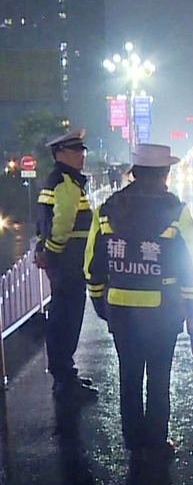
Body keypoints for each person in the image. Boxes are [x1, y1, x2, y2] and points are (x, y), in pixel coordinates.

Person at [84, 144, 193, 458]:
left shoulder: (108, 208)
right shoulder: (177, 211)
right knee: (159, 375)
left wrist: (100, 301)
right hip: (163, 311)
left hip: (121, 310)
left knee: (130, 374)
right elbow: (191, 265)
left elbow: (92, 264)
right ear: (165, 174)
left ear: (133, 173)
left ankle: (134, 440)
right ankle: (157, 441)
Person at [35, 128, 98, 399]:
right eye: (75, 151)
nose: (81, 156)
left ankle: (64, 374)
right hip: (69, 264)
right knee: (66, 320)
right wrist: (53, 252)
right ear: (60, 154)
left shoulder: (60, 180)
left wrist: (46, 251)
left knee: (62, 317)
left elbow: (44, 223)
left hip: (66, 264)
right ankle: (64, 380)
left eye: (82, 151)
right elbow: (60, 224)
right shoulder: (66, 184)